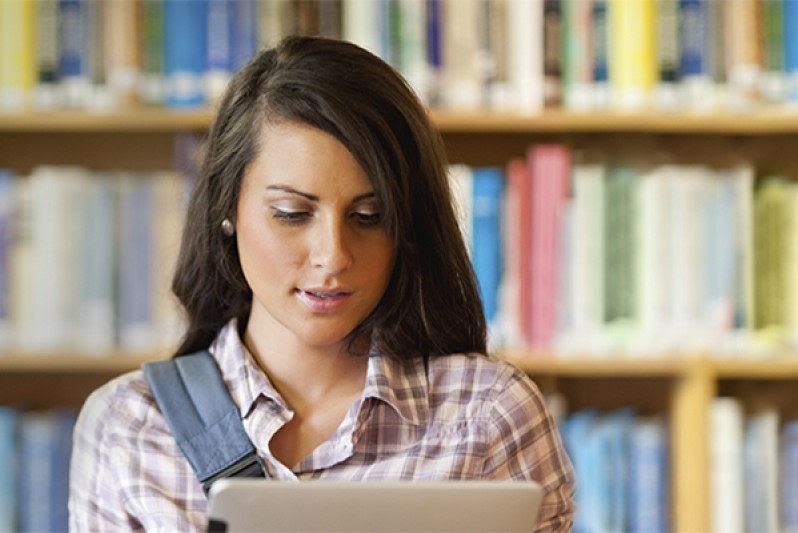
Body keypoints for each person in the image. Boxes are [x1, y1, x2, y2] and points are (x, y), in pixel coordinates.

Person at [69, 35, 575, 532]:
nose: (332, 256)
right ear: (227, 208)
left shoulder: (487, 414)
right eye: (292, 213)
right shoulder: (130, 426)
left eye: (369, 216)